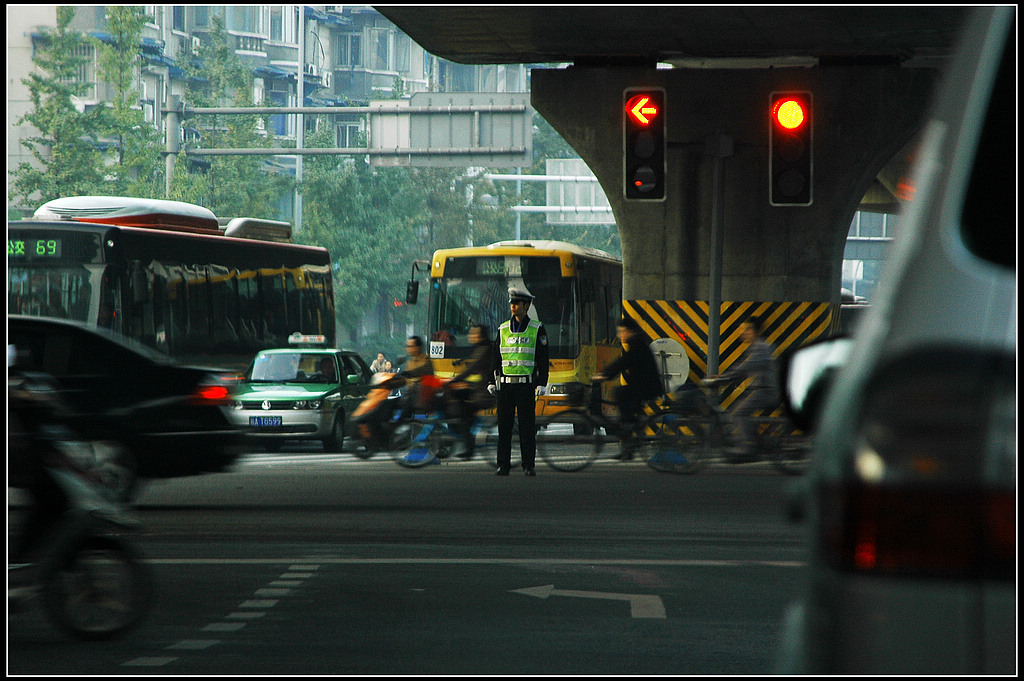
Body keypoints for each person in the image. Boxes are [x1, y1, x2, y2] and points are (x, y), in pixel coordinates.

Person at [591, 316, 663, 459]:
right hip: (643, 385)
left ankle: (629, 431)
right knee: (623, 398)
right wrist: (606, 374)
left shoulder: (637, 345)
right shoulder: (637, 343)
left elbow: (623, 362)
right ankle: (628, 445)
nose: (619, 335)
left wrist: (605, 375)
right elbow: (623, 362)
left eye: (622, 331)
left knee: (620, 395)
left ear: (630, 331)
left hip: (646, 387)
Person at [494, 288, 548, 476]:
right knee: (504, 427)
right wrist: (491, 380)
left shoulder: (537, 328)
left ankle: (528, 465)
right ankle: (503, 465)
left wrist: (542, 382)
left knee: (527, 427)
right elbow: (495, 357)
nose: (512, 306)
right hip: (506, 385)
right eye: (511, 303)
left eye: (516, 303)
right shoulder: (502, 329)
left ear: (526, 306)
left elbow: (543, 358)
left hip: (526, 385)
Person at [710, 316, 781, 460]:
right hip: (760, 388)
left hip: (766, 390)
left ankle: (747, 448)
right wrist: (725, 378)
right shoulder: (755, 347)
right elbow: (743, 370)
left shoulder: (760, 348)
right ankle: (758, 442)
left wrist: (724, 378)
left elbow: (745, 368)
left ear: (753, 331)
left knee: (738, 413)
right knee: (738, 410)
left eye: (745, 329)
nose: (741, 332)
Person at [447, 324, 497, 459]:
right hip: (481, 388)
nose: (470, 336)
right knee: (460, 396)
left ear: (481, 336)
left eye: (474, 333)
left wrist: (454, 380)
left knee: (464, 412)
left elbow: (473, 368)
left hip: (487, 393)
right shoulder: (482, 348)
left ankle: (469, 447)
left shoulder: (485, 349)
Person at [400, 336, 435, 410]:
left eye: (410, 346)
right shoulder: (409, 362)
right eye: (407, 346)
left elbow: (418, 372)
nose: (407, 349)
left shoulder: (426, 361)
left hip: (422, 395)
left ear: (418, 347)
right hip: (409, 393)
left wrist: (407, 374)